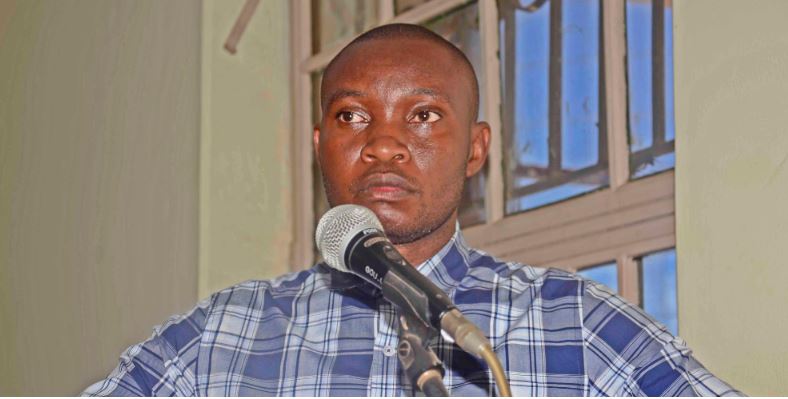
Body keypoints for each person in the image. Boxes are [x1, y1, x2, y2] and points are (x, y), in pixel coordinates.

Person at [84, 23, 740, 396]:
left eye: (423, 115)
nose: (384, 143)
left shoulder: (580, 326)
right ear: (321, 146)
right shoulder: (214, 341)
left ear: (476, 148)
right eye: (351, 116)